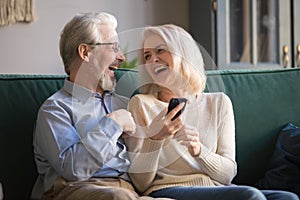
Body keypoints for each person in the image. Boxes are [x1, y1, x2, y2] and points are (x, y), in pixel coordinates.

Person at [125, 24, 299, 200]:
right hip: (168, 189)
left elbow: (228, 174)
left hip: (218, 189)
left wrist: (200, 151)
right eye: (147, 56)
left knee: (287, 198)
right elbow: (140, 184)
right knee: (249, 195)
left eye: (160, 50)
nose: (152, 60)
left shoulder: (219, 103)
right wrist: (155, 138)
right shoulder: (141, 104)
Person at [31, 12, 170, 200]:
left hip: (129, 191)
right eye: (114, 48)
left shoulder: (125, 104)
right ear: (85, 52)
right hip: (75, 190)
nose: (121, 57)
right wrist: (113, 124)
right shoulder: (55, 110)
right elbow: (74, 169)